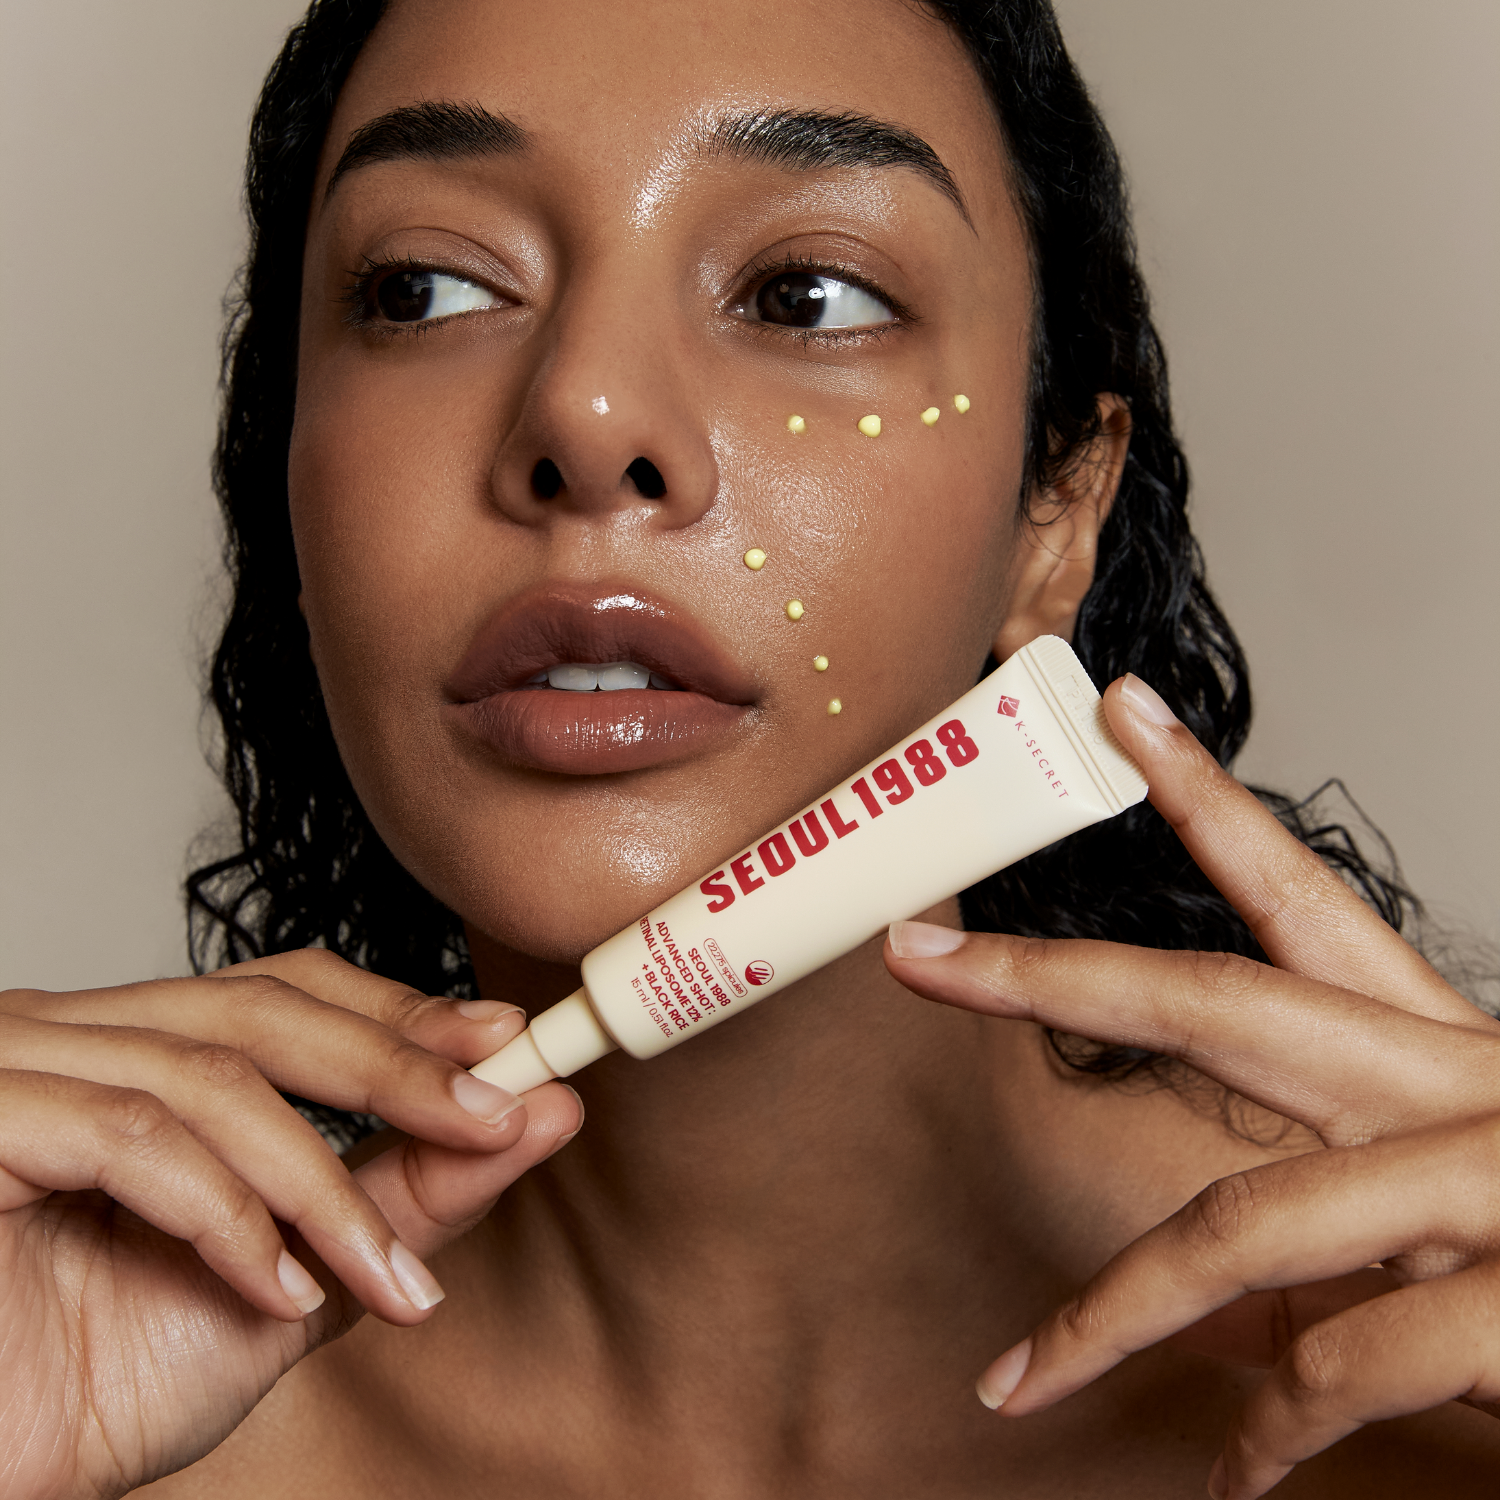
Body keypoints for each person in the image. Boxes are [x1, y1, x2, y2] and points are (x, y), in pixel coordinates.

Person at [3, 1, 1497, 1495]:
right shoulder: (95, 1407)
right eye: (424, 288)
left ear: (1055, 517)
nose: (588, 416)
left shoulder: (1434, 1386)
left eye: (805, 297)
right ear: (288, 489)